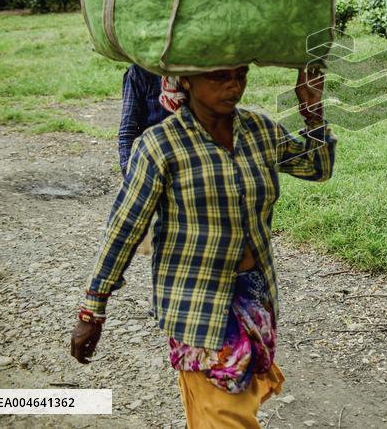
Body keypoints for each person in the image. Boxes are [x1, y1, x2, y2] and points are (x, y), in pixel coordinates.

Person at [71, 65, 335, 428]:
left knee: (226, 410)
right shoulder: (161, 145)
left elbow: (317, 167)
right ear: (185, 80)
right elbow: (124, 229)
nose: (234, 85)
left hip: (254, 299)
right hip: (196, 308)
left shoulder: (259, 130)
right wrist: (92, 310)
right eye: (219, 76)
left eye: (240, 74)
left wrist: (313, 113)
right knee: (227, 416)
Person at [117, 64, 171, 176]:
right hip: (151, 158)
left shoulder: (191, 71)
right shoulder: (138, 73)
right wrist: (129, 172)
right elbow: (127, 130)